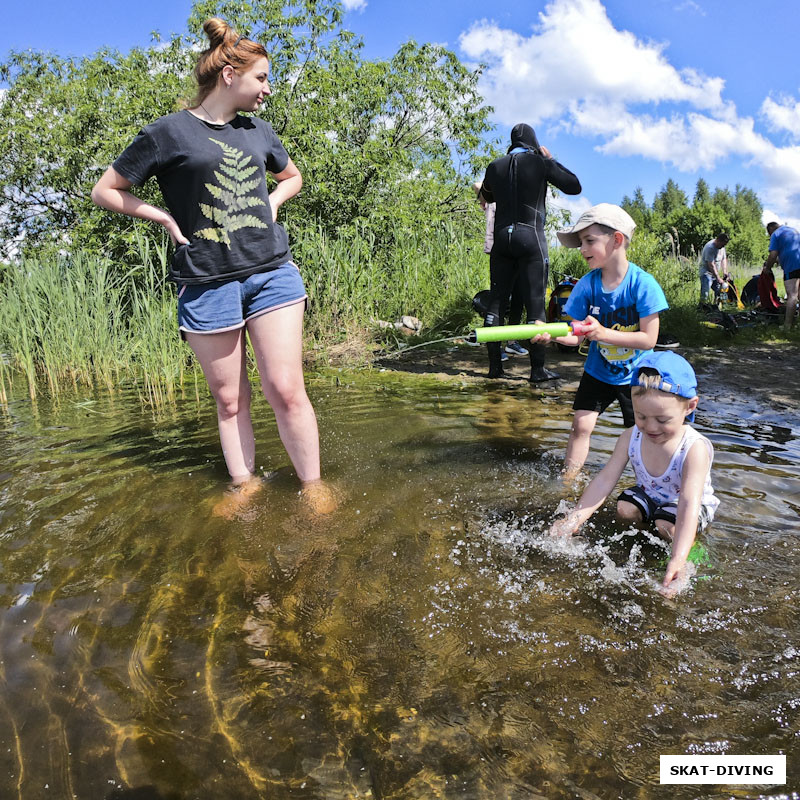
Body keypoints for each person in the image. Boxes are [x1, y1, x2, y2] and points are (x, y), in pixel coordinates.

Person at [91, 18, 334, 514]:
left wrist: (273, 201)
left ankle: (313, 488)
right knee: (230, 400)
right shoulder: (167, 132)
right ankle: (244, 485)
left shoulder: (258, 130)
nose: (268, 88)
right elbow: (105, 189)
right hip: (205, 282)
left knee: (286, 389)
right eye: (262, 78)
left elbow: (293, 176)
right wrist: (160, 215)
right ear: (229, 75)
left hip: (270, 272)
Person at [549, 351, 719, 595]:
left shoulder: (694, 448)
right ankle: (639, 542)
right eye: (641, 416)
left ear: (689, 407)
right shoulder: (631, 437)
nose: (650, 427)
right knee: (624, 510)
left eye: (662, 419)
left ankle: (688, 558)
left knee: (666, 526)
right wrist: (574, 519)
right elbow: (605, 479)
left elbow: (689, 503)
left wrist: (678, 559)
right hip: (650, 493)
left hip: (685, 504)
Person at [531, 204, 668, 475]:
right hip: (599, 370)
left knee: (642, 431)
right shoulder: (586, 286)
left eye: (589, 241)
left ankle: (650, 483)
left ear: (617, 240)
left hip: (637, 374)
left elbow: (649, 339)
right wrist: (552, 334)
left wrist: (603, 333)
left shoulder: (643, 285)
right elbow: (575, 337)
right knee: (581, 424)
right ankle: (569, 479)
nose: (582, 249)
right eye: (581, 242)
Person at [477, 124, 581, 381]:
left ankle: (495, 369)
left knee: (496, 304)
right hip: (530, 238)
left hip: (502, 239)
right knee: (535, 306)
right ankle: (537, 371)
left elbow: (485, 198)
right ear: (533, 142)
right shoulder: (540, 162)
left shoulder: (495, 166)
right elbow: (574, 186)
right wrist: (549, 159)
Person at [472, 182, 527, 360]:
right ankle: (496, 345)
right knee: (500, 300)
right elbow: (476, 184)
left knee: (519, 296)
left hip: (520, 251)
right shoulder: (495, 197)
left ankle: (512, 342)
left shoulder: (520, 201)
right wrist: (484, 196)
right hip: (500, 253)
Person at [763, 221, 800, 331]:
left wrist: (767, 268)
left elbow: (773, 254)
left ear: (770, 230)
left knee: (792, 296)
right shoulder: (793, 230)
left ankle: (787, 326)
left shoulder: (776, 234)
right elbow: (787, 251)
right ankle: (798, 324)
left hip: (792, 266)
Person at [698, 233, 729, 303]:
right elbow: (711, 264)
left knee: (720, 289)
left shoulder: (722, 247)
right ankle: (702, 307)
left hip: (715, 273)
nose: (722, 247)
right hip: (706, 273)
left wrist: (724, 271)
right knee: (705, 292)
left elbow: (724, 259)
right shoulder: (710, 248)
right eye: (722, 245)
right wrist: (718, 278)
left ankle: (717, 306)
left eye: (724, 245)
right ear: (718, 240)